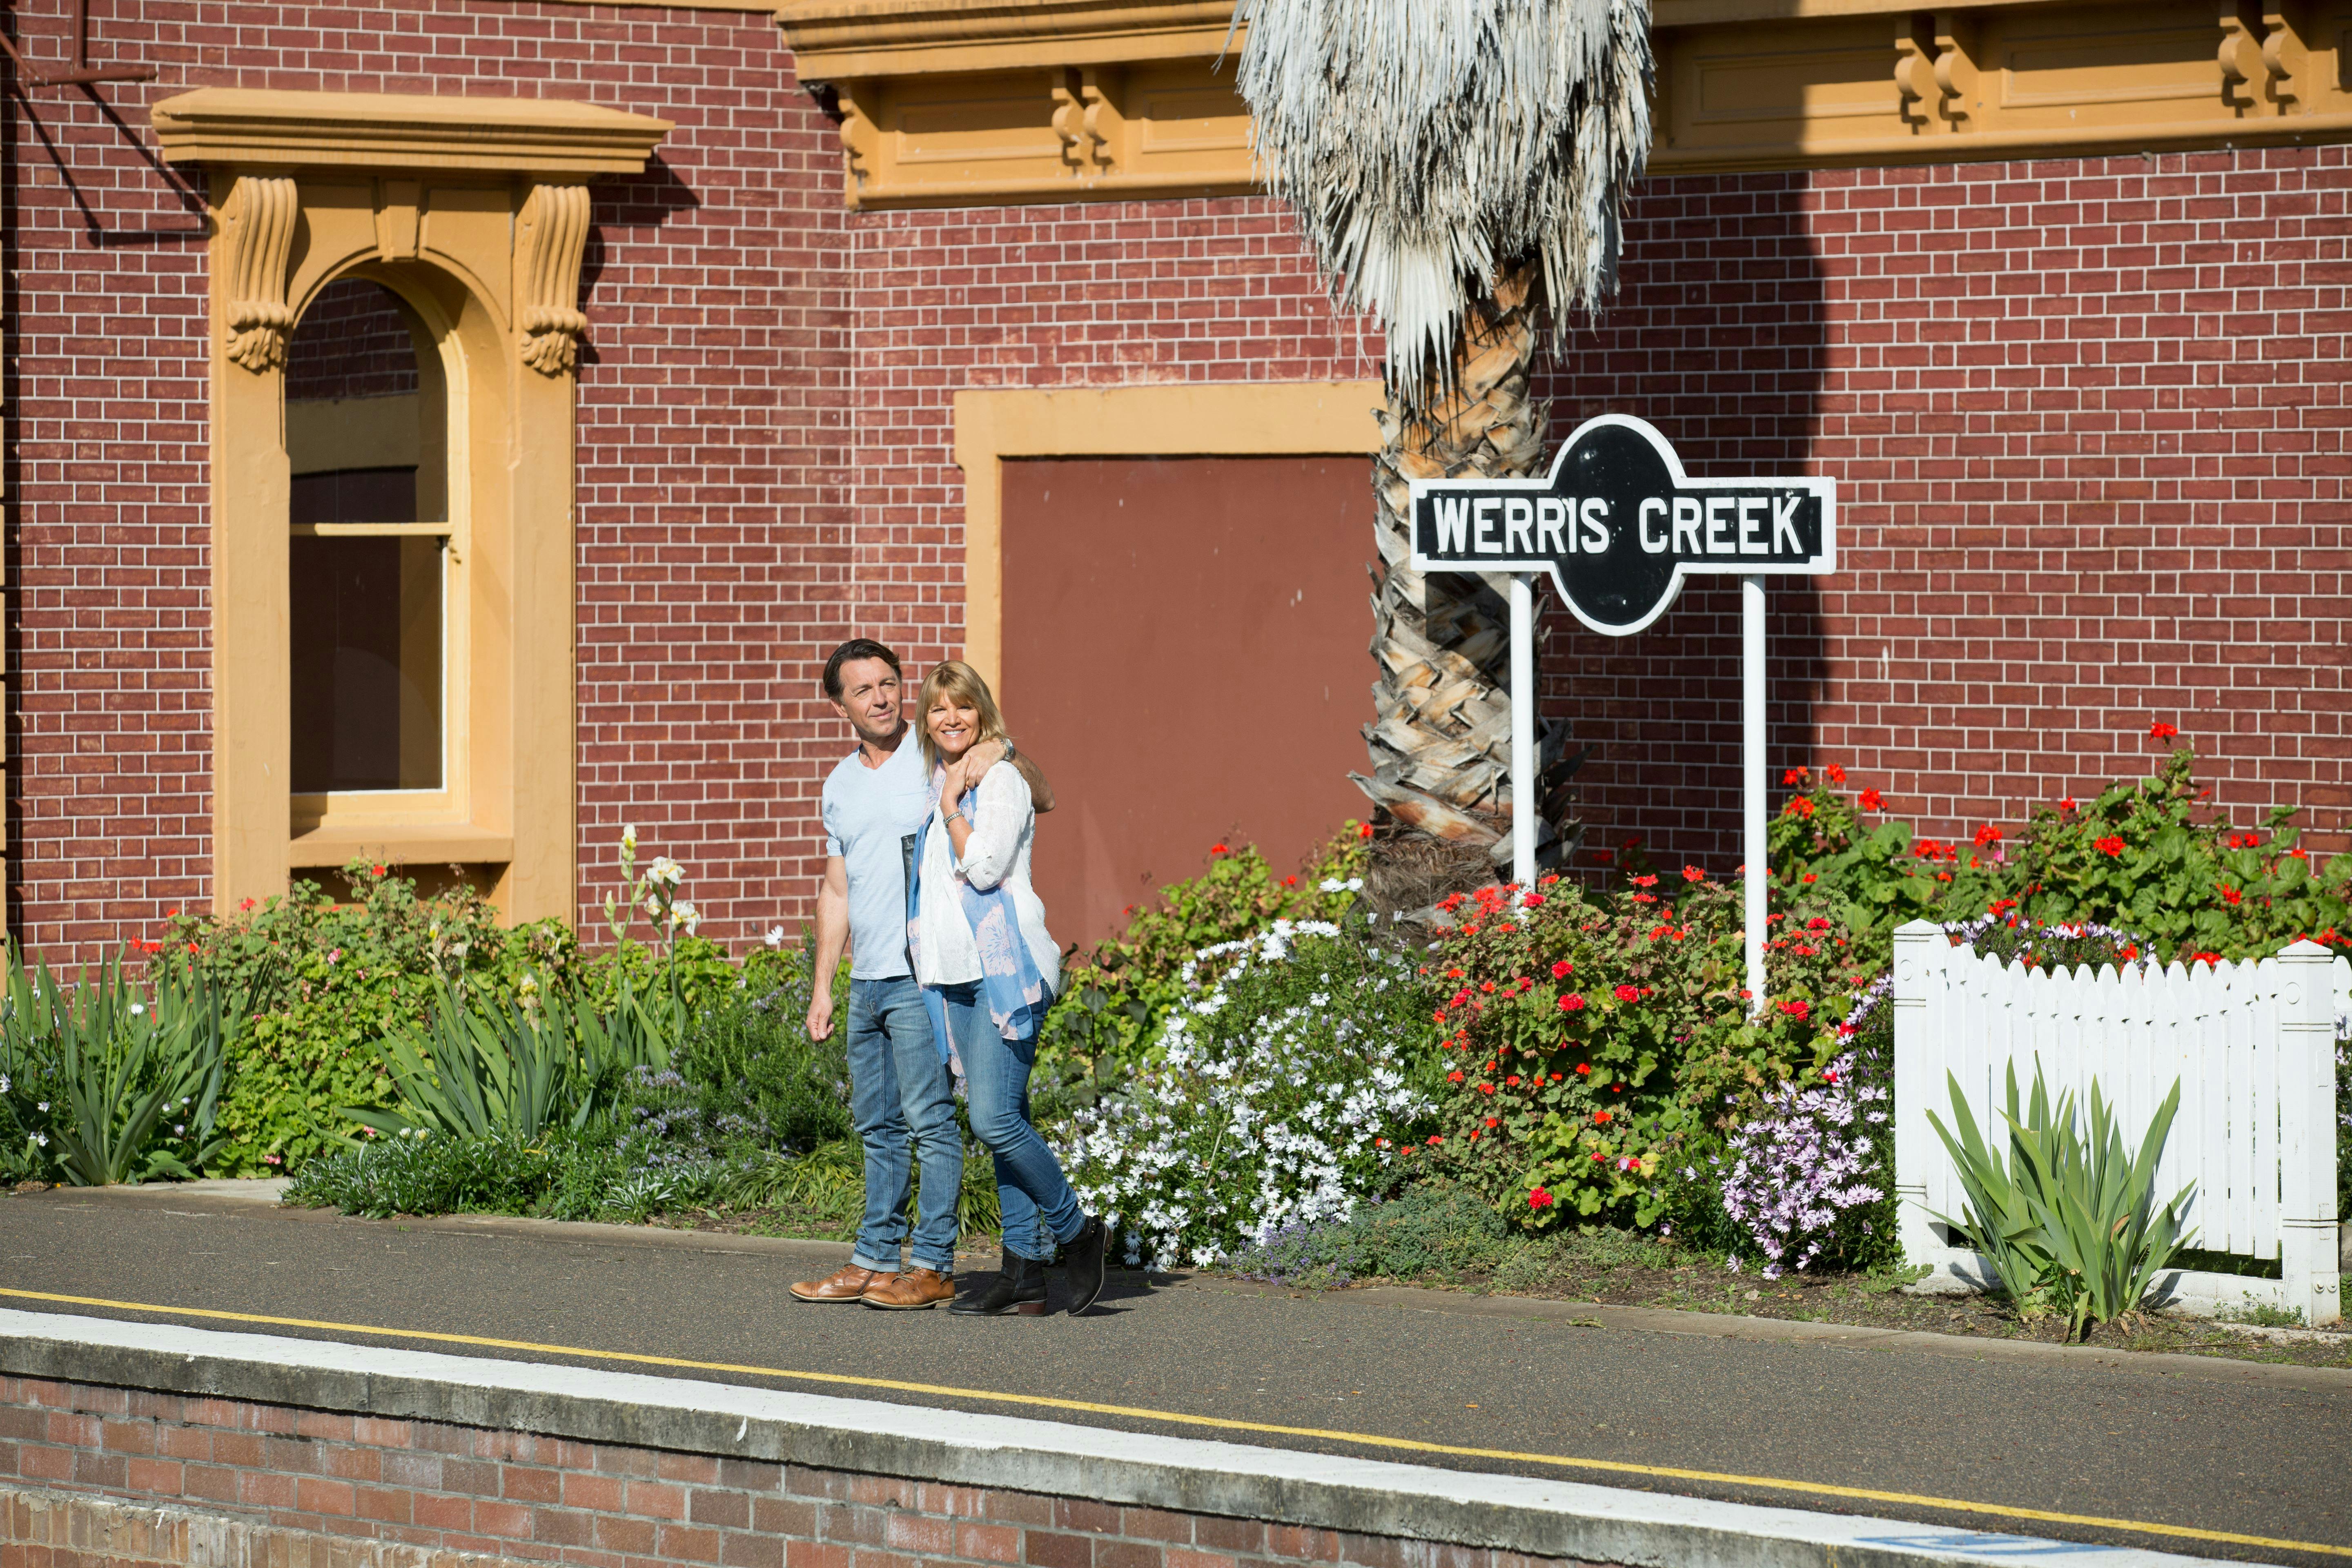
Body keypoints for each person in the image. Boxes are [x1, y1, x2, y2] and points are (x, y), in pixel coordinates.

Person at [791, 639, 1054, 1311]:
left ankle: (932, 1263)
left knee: (931, 1122)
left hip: (923, 975)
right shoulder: (840, 785)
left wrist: (1002, 749)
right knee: (876, 1125)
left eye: (888, 683)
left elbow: (1028, 782)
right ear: (838, 704)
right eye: (862, 690)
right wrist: (824, 985)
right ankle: (875, 1258)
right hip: (866, 979)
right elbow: (836, 889)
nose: (880, 698)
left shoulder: (931, 754)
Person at [906, 660, 1107, 1317]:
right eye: (939, 709)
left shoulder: (999, 781)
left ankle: (1077, 1233)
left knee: (993, 1117)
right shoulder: (941, 779)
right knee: (1002, 1122)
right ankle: (1021, 1268)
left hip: (1006, 971)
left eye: (962, 706)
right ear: (927, 721)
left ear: (981, 712)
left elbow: (988, 869)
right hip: (959, 977)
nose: (951, 719)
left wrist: (950, 810)